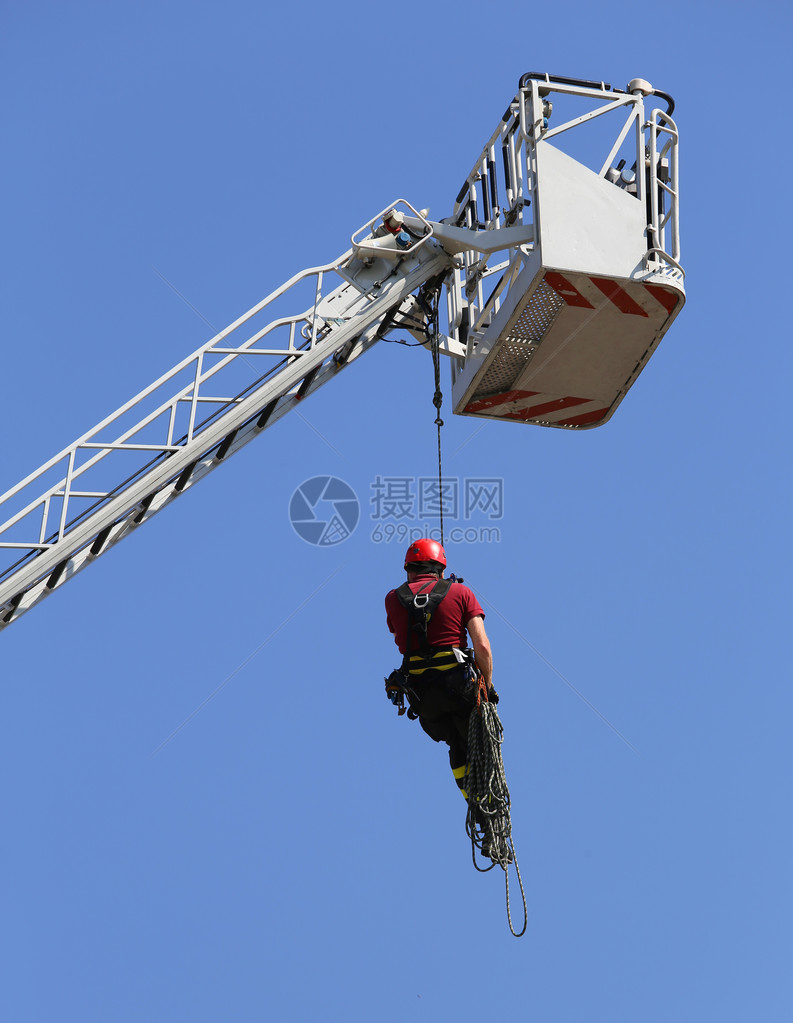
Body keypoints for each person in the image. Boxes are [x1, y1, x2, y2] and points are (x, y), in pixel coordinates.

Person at [384, 537, 495, 818]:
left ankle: (474, 804)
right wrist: (488, 687)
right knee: (478, 739)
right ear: (442, 569)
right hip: (459, 688)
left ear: (409, 569)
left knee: (455, 744)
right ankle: (490, 802)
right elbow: (481, 645)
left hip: (424, 700)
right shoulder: (461, 593)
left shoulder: (392, 599)